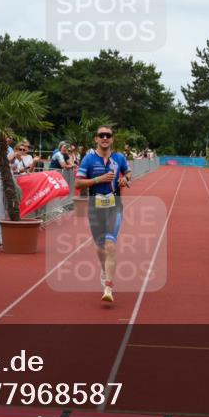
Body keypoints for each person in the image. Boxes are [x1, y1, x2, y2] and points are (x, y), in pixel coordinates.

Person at [75, 126, 131, 303]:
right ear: (96, 139)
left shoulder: (119, 158)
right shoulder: (89, 159)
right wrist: (98, 180)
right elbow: (77, 183)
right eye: (102, 135)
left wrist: (125, 179)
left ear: (112, 139)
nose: (105, 138)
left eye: (108, 135)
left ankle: (108, 287)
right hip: (95, 206)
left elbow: (128, 173)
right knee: (100, 245)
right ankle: (104, 269)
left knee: (110, 244)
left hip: (115, 205)